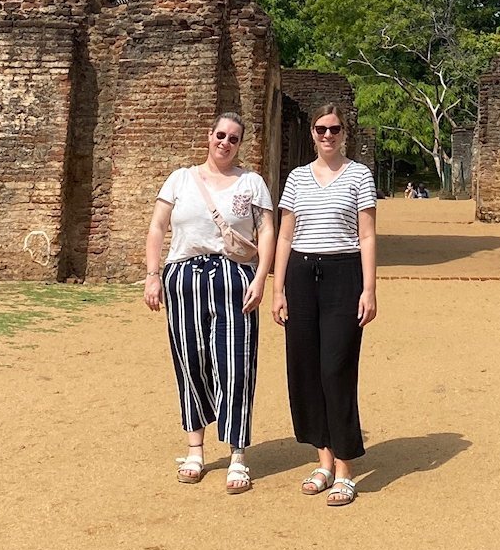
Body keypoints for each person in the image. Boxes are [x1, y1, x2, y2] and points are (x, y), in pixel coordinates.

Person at [143, 112, 275, 494]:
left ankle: (237, 454)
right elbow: (157, 227)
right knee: (190, 359)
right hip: (184, 276)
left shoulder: (251, 183)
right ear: (209, 136)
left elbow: (267, 231)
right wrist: (153, 275)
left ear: (240, 144)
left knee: (236, 363)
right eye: (220, 135)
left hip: (234, 277)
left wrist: (261, 276)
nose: (225, 143)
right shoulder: (181, 179)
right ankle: (195, 449)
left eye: (233, 138)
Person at [271, 104, 378, 507]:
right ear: (313, 134)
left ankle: (347, 468)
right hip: (301, 273)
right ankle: (323, 459)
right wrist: (278, 288)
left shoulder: (359, 175)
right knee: (305, 369)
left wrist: (369, 289)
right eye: (321, 129)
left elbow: (366, 236)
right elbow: (284, 236)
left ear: (344, 132)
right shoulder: (297, 178)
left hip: (343, 274)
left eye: (334, 129)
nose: (327, 135)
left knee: (336, 368)